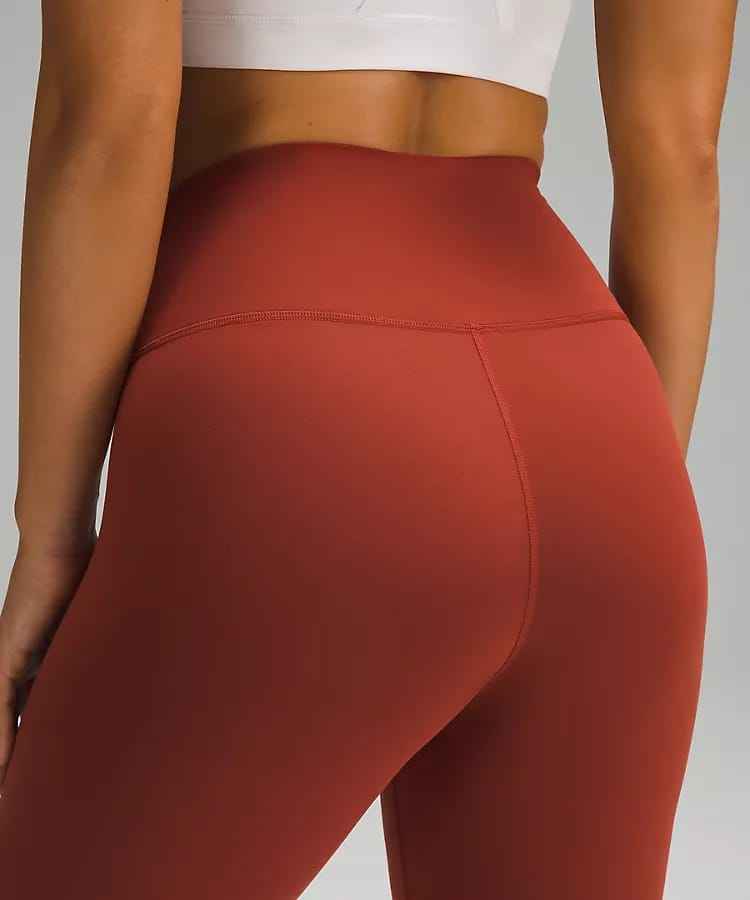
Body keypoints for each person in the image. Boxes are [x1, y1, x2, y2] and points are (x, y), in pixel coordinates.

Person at [0, 1, 737, 898]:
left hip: (294, 394)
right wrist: (626, 500)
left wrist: (50, 541)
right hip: (601, 424)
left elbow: (107, 120)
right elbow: (682, 158)